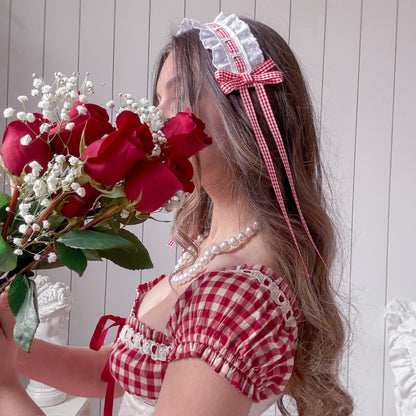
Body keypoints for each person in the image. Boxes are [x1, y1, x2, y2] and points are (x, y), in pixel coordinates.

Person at [0, 13, 353, 416]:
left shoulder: (234, 297)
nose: (155, 120)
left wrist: (6, 388)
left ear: (247, 113)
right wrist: (14, 347)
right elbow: (118, 373)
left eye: (179, 95)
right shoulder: (214, 248)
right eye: (157, 102)